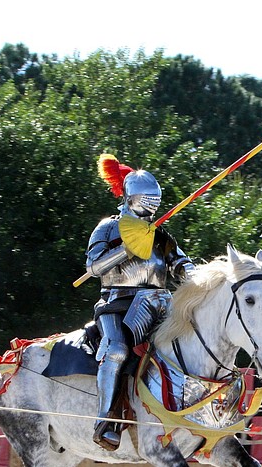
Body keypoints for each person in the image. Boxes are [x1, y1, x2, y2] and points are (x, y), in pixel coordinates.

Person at [84, 154, 196, 450]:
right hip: (117, 304)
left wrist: (196, 275)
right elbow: (92, 267)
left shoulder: (158, 234)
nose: (150, 208)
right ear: (130, 197)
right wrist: (125, 250)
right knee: (118, 351)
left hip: (159, 303)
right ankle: (105, 420)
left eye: (154, 203)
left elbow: (180, 262)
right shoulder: (108, 228)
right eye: (146, 201)